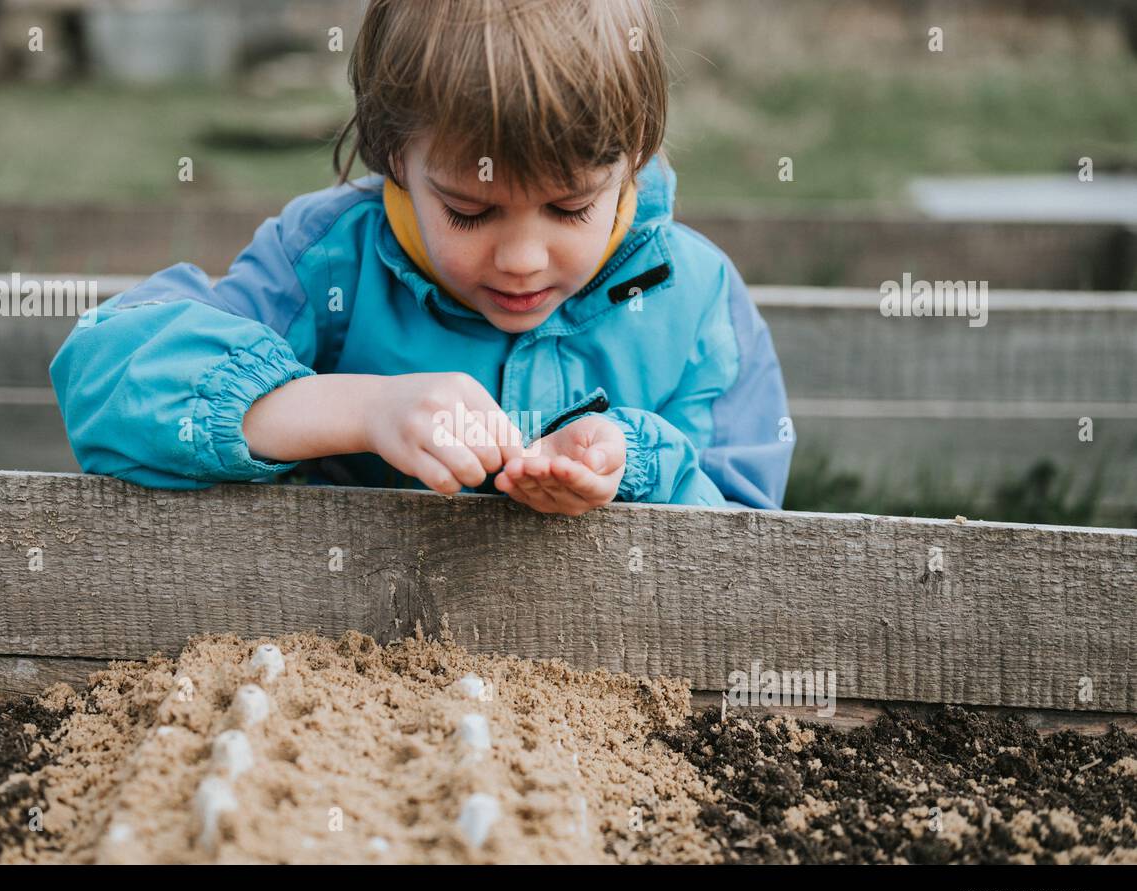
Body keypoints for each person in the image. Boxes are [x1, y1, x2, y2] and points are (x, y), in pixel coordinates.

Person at [50, 0, 794, 515]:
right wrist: (363, 409)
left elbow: (751, 546)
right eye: (470, 211)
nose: (524, 259)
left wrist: (636, 465)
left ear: (633, 160)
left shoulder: (696, 300)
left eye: (570, 208)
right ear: (392, 157)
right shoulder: (332, 261)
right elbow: (108, 372)